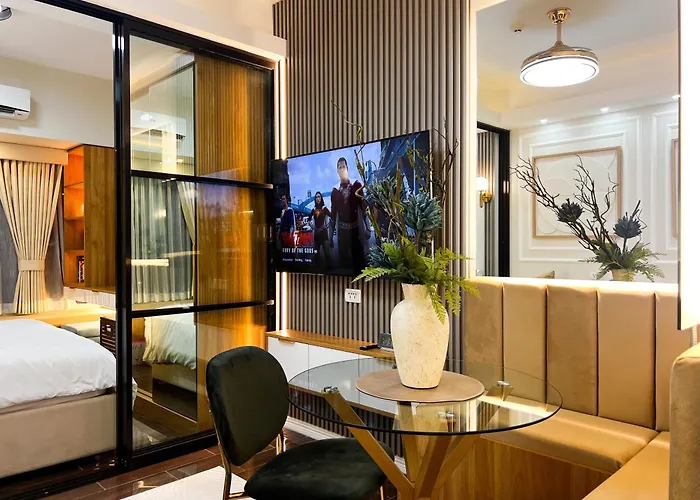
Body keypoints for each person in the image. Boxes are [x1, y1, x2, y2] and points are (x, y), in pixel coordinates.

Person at [330, 157, 369, 272]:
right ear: (337, 171)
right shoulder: (335, 191)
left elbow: (364, 208)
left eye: (344, 167)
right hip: (342, 232)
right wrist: (330, 237)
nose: (342, 169)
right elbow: (333, 216)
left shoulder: (356, 185)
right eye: (340, 167)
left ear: (347, 168)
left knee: (359, 264)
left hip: (356, 230)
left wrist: (368, 228)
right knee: (344, 265)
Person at [309, 191, 334, 267]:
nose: (317, 198)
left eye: (319, 197)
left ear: (321, 198)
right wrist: (313, 227)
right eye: (316, 197)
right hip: (316, 235)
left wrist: (326, 225)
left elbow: (332, 217)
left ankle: (330, 269)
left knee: (327, 253)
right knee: (316, 253)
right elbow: (309, 219)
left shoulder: (324, 208)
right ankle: (318, 268)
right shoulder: (313, 209)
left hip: (324, 234)